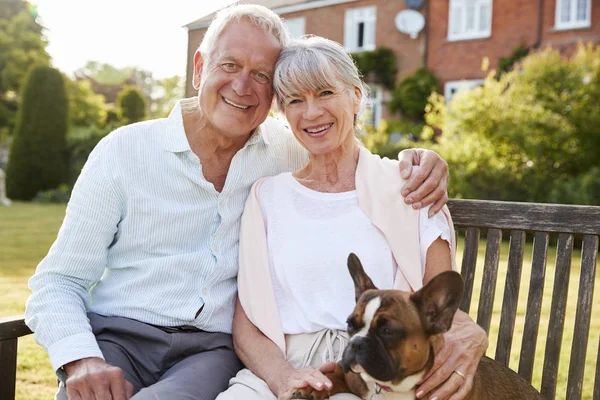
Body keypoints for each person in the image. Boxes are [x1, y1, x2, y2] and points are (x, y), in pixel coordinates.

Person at [24, 5, 452, 400]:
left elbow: (342, 145)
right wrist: (81, 359)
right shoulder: (124, 152)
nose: (243, 87)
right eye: (229, 65)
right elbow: (58, 280)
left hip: (209, 351)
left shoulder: (286, 151)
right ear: (199, 68)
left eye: (262, 75)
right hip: (118, 338)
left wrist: (425, 160)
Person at [217, 36, 487, 400]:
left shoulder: (411, 187)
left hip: (384, 372)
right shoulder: (267, 196)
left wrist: (472, 333)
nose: (311, 113)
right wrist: (285, 379)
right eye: (295, 100)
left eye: (326, 93)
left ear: (357, 95)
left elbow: (442, 311)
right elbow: (247, 326)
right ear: (283, 112)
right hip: (282, 367)